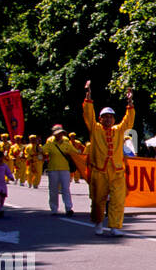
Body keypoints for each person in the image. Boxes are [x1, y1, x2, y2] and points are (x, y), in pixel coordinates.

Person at [82, 81, 136, 237]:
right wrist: (88, 96)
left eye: (111, 117)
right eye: (105, 117)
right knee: (98, 200)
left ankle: (115, 226)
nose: (108, 119)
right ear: (100, 119)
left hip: (117, 171)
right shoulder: (95, 129)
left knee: (118, 200)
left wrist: (130, 102)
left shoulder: (118, 130)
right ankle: (99, 223)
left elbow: (129, 121)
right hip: (99, 171)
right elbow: (88, 115)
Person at [42, 125, 78, 216]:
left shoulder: (67, 144)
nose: (60, 135)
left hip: (65, 170)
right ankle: (54, 209)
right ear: (54, 134)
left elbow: (76, 153)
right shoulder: (50, 144)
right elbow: (42, 151)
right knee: (53, 190)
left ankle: (68, 208)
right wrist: (37, 145)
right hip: (53, 169)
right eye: (58, 133)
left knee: (66, 189)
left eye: (61, 133)